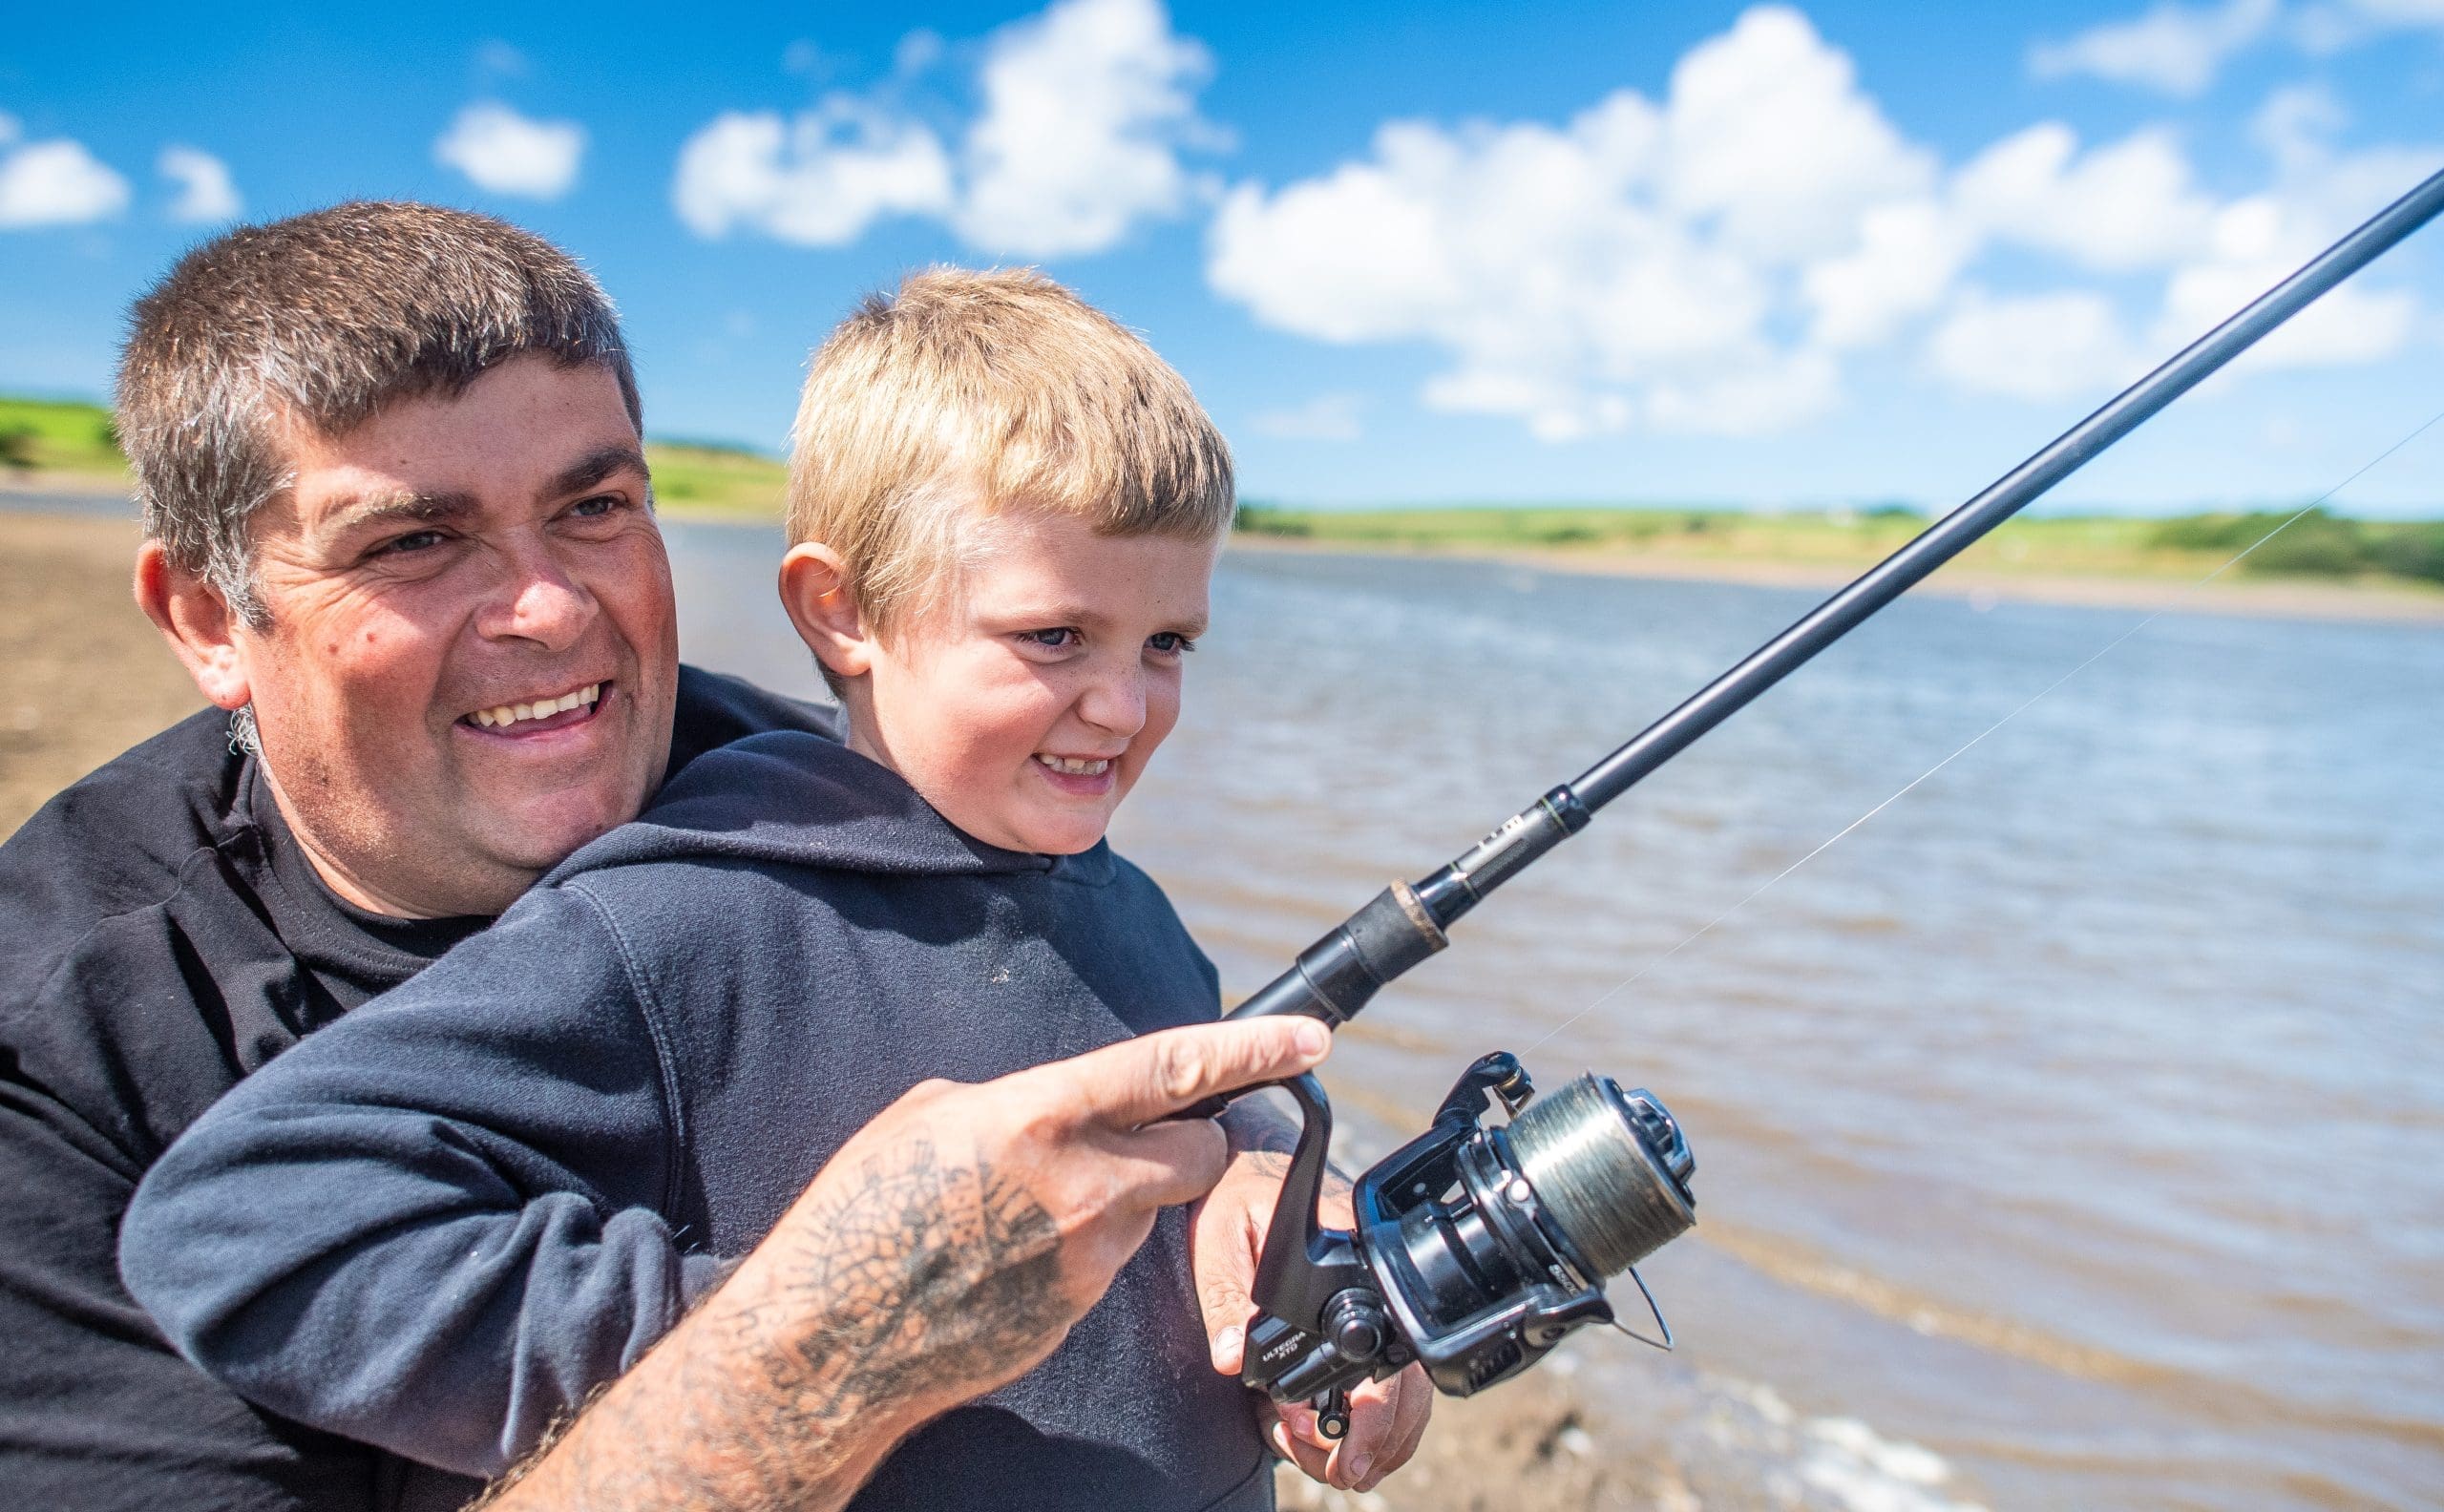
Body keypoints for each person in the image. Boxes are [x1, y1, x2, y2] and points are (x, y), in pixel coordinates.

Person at [0, 204, 1419, 1512]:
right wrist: (831, 1334)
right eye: (417, 540)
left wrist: (1252, 1180)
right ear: (201, 617)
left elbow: (1110, 1011)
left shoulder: (853, 788)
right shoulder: (61, 1050)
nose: (551, 610)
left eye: (594, 507)